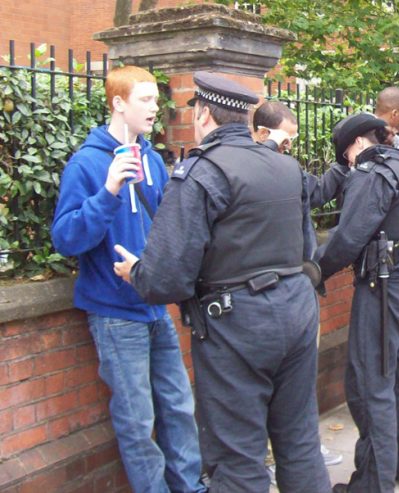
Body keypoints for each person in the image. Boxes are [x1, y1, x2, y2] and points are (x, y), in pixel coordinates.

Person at [113, 72, 331, 493]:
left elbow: (166, 276)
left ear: (203, 114)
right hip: (297, 311)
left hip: (237, 324)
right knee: (299, 441)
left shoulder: (200, 172)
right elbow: (306, 248)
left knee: (237, 455)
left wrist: (135, 272)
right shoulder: (287, 167)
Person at [51, 66, 206, 493]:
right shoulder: (86, 163)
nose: (156, 108)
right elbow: (66, 239)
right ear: (119, 103)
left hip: (154, 304)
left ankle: (189, 487)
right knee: (138, 419)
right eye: (146, 100)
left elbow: (163, 229)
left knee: (177, 405)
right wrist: (108, 192)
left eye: (156, 99)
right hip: (115, 313)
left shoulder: (153, 160)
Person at [318, 113, 399, 492]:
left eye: (346, 154)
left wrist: (314, 270)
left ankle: (372, 484)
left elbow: (349, 236)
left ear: (358, 144)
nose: (347, 163)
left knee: (371, 385)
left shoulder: (373, 173)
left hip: (385, 290)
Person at [251, 100, 345, 472]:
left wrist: (344, 160)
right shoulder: (249, 175)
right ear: (261, 133)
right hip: (265, 296)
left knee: (298, 381)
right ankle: (263, 458)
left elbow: (316, 193)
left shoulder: (287, 169)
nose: (289, 148)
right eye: (285, 141)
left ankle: (297, 449)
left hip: (299, 289)